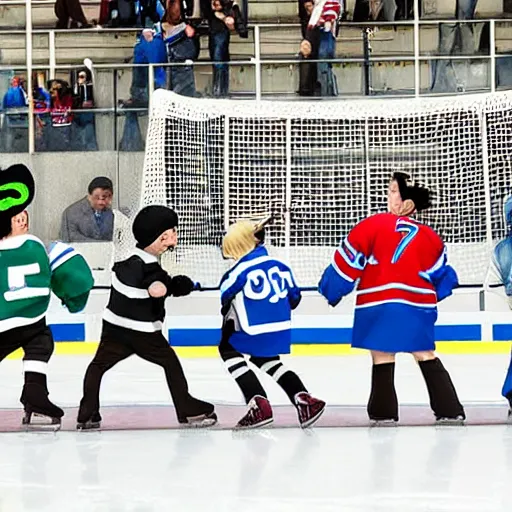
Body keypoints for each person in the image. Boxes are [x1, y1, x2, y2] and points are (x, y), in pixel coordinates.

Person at [318, 171, 465, 425]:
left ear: (406, 200)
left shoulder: (372, 225)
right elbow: (441, 276)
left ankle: (383, 414)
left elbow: (346, 266)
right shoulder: (430, 236)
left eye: (394, 190)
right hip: (417, 305)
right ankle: (450, 409)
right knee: (425, 353)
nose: (389, 195)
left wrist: (329, 290)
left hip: (378, 304)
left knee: (382, 356)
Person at [77, 205, 217, 430]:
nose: (175, 236)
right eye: (173, 232)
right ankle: (186, 407)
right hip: (143, 333)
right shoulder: (151, 269)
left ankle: (87, 411)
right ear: (162, 236)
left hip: (113, 328)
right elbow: (156, 289)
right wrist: (173, 285)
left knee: (98, 366)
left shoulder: (127, 263)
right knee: (170, 363)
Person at [0, 164, 94, 430]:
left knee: (40, 341)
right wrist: (74, 300)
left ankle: (35, 396)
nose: (22, 219)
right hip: (30, 322)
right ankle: (35, 396)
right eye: (16, 216)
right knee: (41, 342)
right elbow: (76, 277)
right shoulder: (39, 247)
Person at [219, 218, 326, 429]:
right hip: (280, 329)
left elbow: (225, 297)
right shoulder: (282, 266)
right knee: (268, 360)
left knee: (227, 349)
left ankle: (257, 403)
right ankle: (304, 399)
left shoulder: (236, 272)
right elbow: (295, 297)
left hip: (252, 329)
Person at [59, 176, 115, 242]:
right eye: (97, 197)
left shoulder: (112, 213)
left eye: (105, 197)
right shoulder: (71, 213)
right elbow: (70, 239)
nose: (101, 202)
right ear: (89, 195)